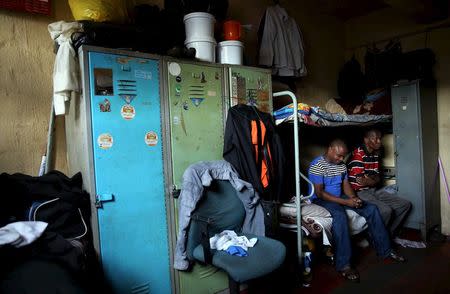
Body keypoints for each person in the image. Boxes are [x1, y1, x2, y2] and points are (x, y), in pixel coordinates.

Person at [308, 139, 405, 283]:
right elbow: (320, 193)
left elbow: (346, 185)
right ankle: (344, 265)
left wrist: (354, 199)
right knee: (340, 216)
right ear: (330, 149)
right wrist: (346, 202)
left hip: (340, 196)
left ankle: (386, 250)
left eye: (343, 156)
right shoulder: (317, 165)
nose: (341, 159)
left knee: (371, 209)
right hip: (322, 200)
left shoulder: (341, 165)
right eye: (339, 156)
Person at [348, 129, 412, 236]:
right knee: (386, 210)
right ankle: (376, 237)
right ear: (366, 140)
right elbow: (360, 183)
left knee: (404, 205)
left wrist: (370, 181)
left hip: (374, 190)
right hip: (360, 193)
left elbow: (377, 178)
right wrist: (372, 180)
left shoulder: (375, 154)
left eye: (379, 138)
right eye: (375, 138)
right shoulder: (358, 155)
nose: (379, 141)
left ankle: (388, 234)